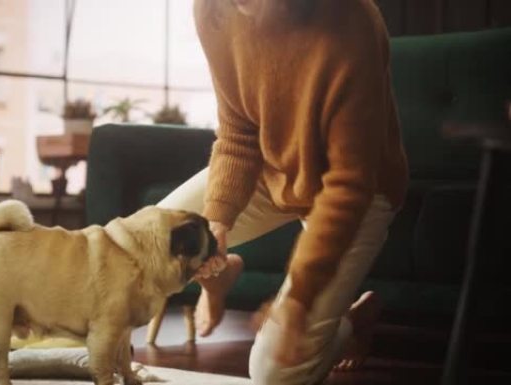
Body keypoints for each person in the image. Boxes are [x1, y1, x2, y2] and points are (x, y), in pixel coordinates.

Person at [157, 0, 409, 383]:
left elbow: (348, 183)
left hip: (353, 190)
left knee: (274, 374)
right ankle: (221, 275)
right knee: (152, 241)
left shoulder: (350, 19)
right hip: (271, 171)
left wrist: (301, 296)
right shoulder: (213, 9)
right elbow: (238, 132)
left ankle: (350, 325)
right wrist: (217, 222)